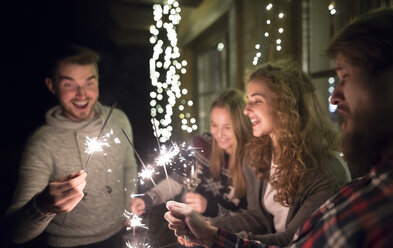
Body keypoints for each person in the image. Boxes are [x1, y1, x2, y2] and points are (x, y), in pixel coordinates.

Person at [164, 7, 393, 248]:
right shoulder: (257, 153)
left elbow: (292, 241)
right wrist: (207, 226)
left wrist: (212, 237)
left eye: (257, 100)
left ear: (286, 106)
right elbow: (258, 216)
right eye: (247, 100)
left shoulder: (327, 174)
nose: (246, 110)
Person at [5, 44, 138, 248]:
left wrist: (130, 208)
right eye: (69, 84)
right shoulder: (42, 142)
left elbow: (129, 166)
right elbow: (15, 234)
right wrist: (43, 206)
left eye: (89, 83)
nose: (81, 94)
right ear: (52, 86)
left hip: (118, 235)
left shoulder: (119, 120)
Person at [131, 89, 251, 219]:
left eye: (227, 127)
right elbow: (176, 181)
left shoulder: (252, 164)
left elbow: (250, 219)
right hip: (190, 232)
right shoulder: (202, 147)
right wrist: (147, 199)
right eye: (214, 125)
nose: (219, 134)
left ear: (241, 125)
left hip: (225, 237)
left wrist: (209, 207)